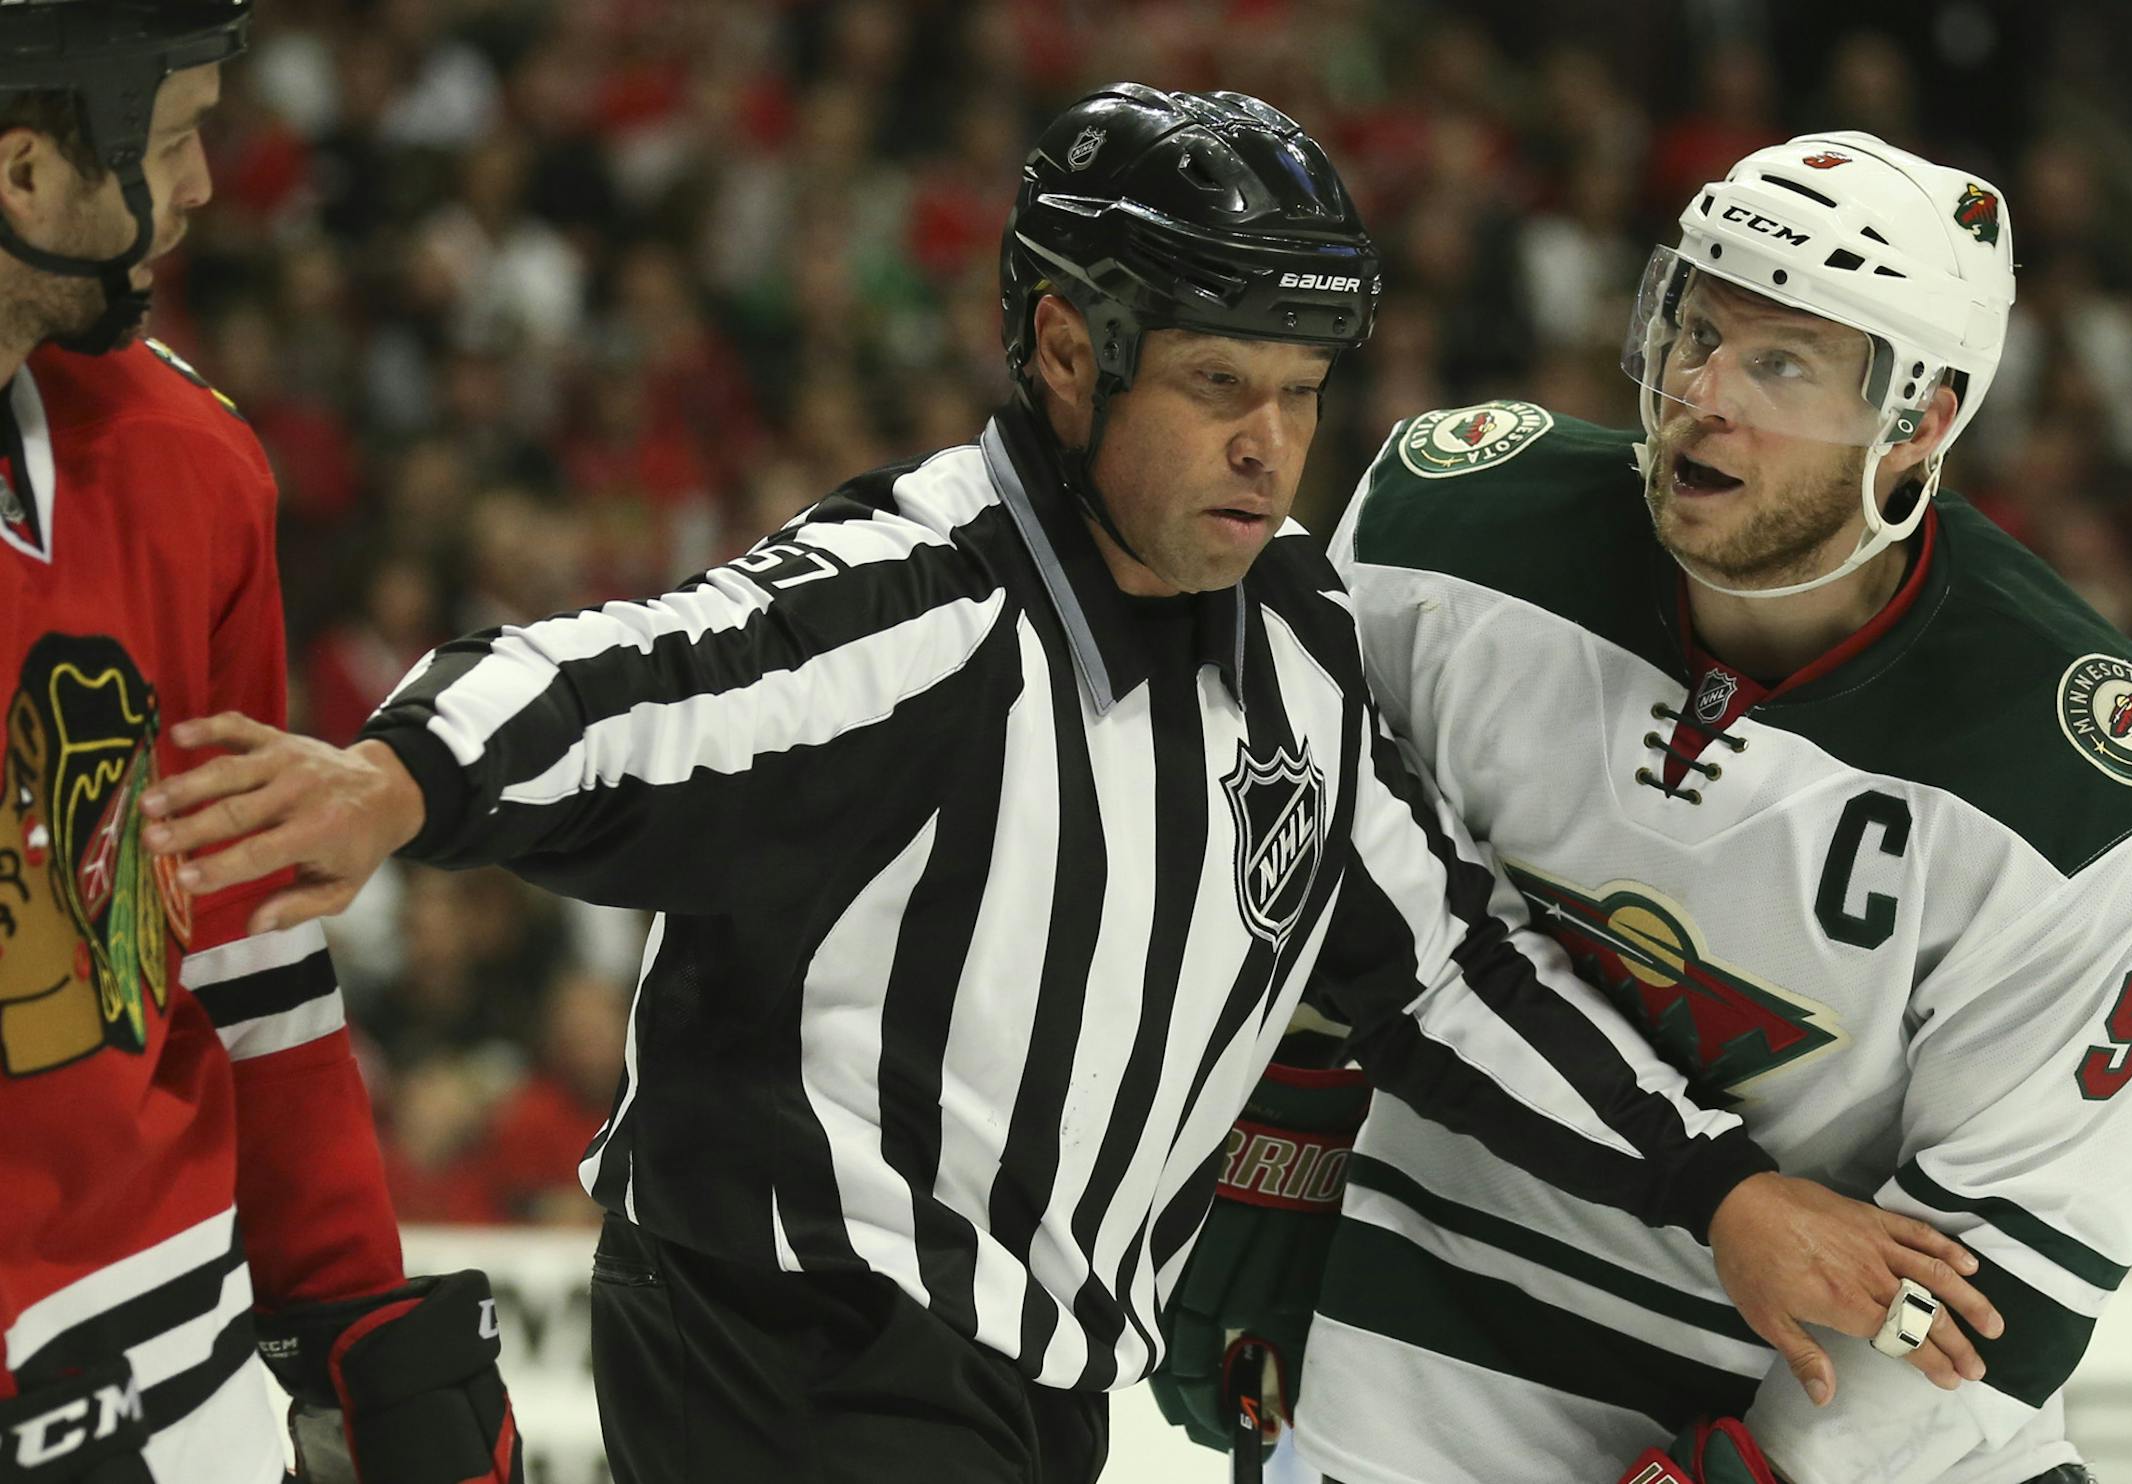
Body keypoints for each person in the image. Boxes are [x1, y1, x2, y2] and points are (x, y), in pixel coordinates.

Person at [141, 91, 1997, 1484]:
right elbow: (655, 677)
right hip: (796, 1341)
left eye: (1298, 389)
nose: (1271, 448)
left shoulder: (1291, 653)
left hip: (1029, 1387)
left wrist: (1721, 1191)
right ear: (1061, 350)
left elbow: (1454, 971)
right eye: (1214, 386)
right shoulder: (936, 592)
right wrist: (405, 775)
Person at [1277, 133, 2132, 1483]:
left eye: (1781, 364)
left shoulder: (2078, 784)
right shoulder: (1444, 538)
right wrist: (1252, 1180)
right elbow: (1311, 920)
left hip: (1820, 1420)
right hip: (1420, 1375)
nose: (1699, 394)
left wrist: (1741, 1476)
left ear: (1919, 419)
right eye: (1693, 328)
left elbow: (2002, 1288)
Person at [0, 5, 519, 1481]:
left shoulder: (189, 467)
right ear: (24, 173)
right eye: (168, 142)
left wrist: (347, 1297)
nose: (207, 185)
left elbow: (241, 934)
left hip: (167, 1336)